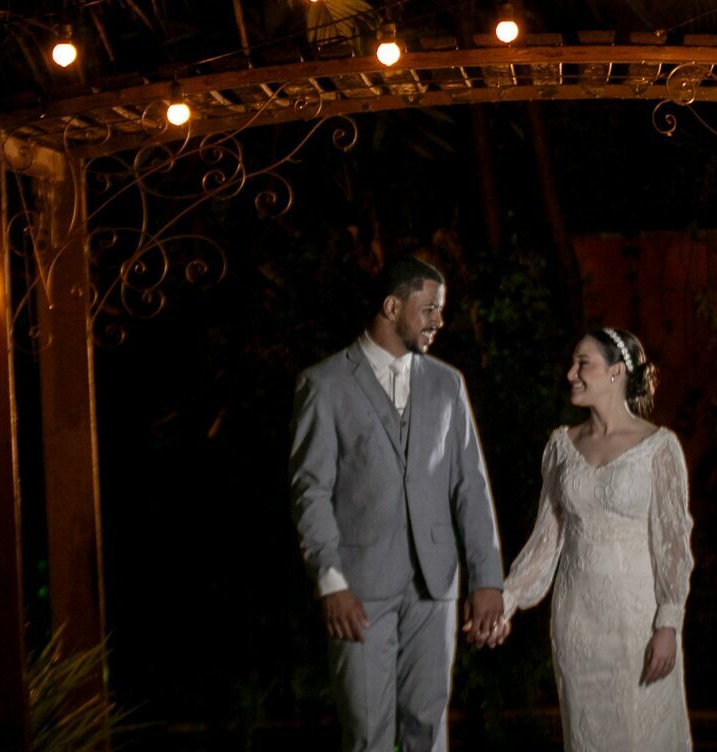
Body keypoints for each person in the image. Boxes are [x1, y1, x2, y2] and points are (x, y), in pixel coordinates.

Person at [289, 256, 507, 752]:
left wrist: (487, 579)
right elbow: (310, 491)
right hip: (359, 591)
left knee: (428, 731)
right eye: (429, 308)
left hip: (436, 588)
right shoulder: (324, 384)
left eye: (440, 310)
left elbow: (470, 486)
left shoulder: (448, 384)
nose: (439, 320)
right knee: (367, 734)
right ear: (391, 306)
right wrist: (330, 582)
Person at [494, 327, 694, 751]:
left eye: (583, 363)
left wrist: (668, 623)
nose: (571, 374)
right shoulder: (561, 446)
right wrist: (506, 601)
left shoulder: (658, 447)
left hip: (639, 624)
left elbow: (673, 544)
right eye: (572, 364)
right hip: (578, 623)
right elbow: (545, 540)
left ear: (615, 372)